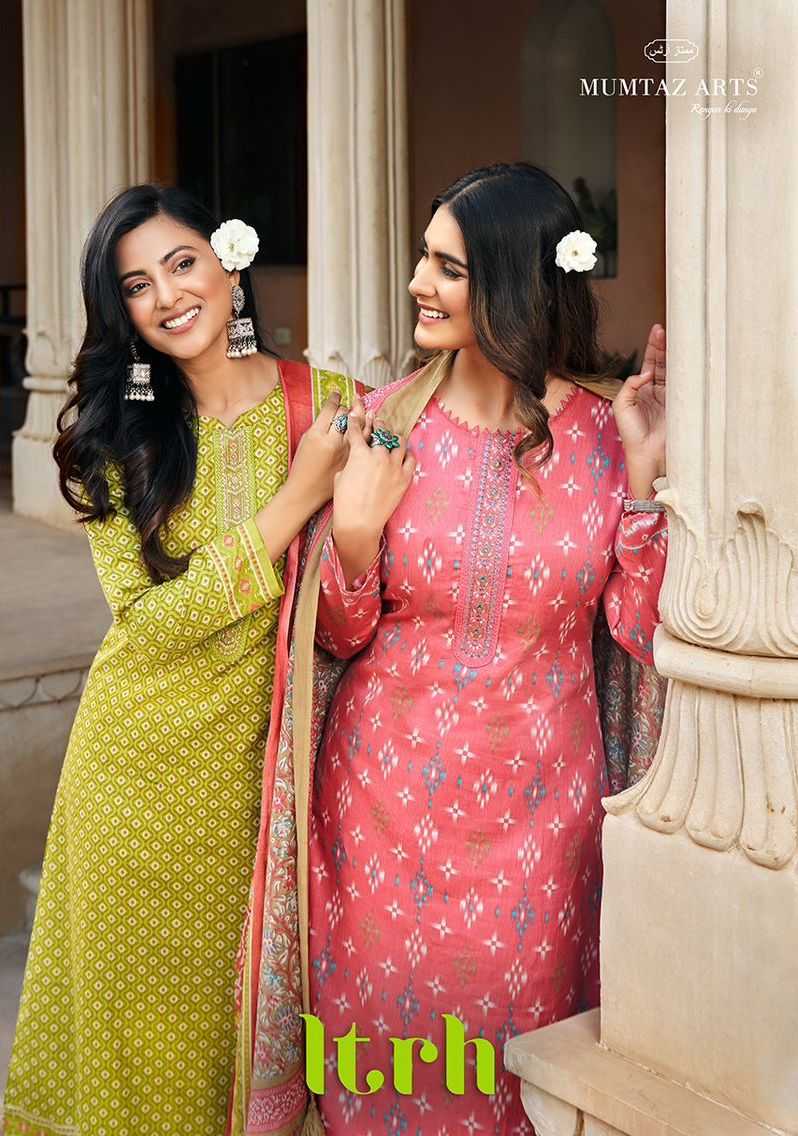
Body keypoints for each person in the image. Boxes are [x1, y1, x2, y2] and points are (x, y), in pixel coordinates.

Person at [231, 162, 667, 1136]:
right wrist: (352, 536)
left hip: (542, 833)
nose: (418, 283)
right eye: (425, 258)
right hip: (381, 814)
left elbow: (639, 635)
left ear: (514, 279)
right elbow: (337, 637)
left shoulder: (607, 434)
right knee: (386, 1069)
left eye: (448, 267)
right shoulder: (384, 425)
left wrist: (644, 481)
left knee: (517, 1079)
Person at [2, 185, 366, 1136]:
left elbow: (383, 566)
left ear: (227, 264)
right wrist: (294, 502)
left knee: (240, 1047)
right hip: (136, 785)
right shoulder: (116, 439)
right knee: (139, 1060)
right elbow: (149, 624)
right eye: (136, 286)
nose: (167, 295)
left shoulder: (329, 405)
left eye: (180, 263)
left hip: (270, 779)